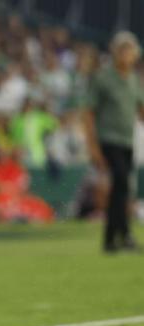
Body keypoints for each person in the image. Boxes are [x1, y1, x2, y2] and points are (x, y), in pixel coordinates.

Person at [84, 31, 144, 253]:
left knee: (122, 188)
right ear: (115, 52)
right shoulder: (103, 78)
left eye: (130, 50)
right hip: (108, 139)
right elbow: (88, 113)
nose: (126, 54)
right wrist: (93, 146)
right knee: (120, 181)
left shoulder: (134, 80)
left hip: (128, 141)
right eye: (122, 50)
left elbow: (141, 109)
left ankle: (111, 239)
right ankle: (123, 235)